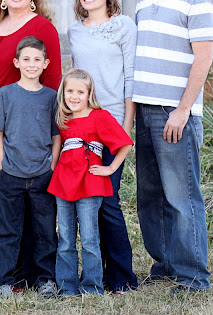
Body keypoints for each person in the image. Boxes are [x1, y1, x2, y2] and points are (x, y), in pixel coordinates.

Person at [133, 0, 213, 293]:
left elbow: (203, 59)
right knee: (151, 196)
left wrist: (183, 111)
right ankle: (165, 264)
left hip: (175, 113)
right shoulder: (143, 2)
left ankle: (194, 276)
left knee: (182, 197)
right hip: (145, 110)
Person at [0, 0, 62, 288]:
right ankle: (10, 272)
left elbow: (51, 83)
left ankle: (32, 273)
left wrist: (48, 138)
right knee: (11, 201)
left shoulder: (42, 28)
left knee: (35, 207)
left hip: (28, 130)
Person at [67, 0, 138, 293]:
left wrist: (126, 126)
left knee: (108, 201)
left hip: (111, 124)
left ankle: (122, 277)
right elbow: (75, 81)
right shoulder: (74, 31)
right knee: (88, 202)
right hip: (82, 128)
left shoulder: (124, 26)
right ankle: (96, 272)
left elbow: (130, 80)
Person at [0, 36, 61, 297]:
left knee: (45, 230)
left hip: (42, 173)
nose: (31, 64)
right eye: (26, 59)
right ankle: (1, 282)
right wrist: (2, 162)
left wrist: (52, 164)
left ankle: (45, 279)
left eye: (37, 60)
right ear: (16, 62)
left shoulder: (51, 97)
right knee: (7, 230)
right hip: (12, 173)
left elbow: (56, 135)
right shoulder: (6, 94)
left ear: (45, 64)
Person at [47, 68, 133, 295]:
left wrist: (110, 168)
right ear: (63, 92)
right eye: (70, 91)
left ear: (89, 94)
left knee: (89, 239)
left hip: (90, 183)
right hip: (64, 183)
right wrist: (52, 168)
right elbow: (57, 146)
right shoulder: (63, 119)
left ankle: (92, 286)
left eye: (80, 92)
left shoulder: (100, 117)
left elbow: (125, 143)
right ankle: (66, 286)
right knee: (66, 239)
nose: (74, 97)